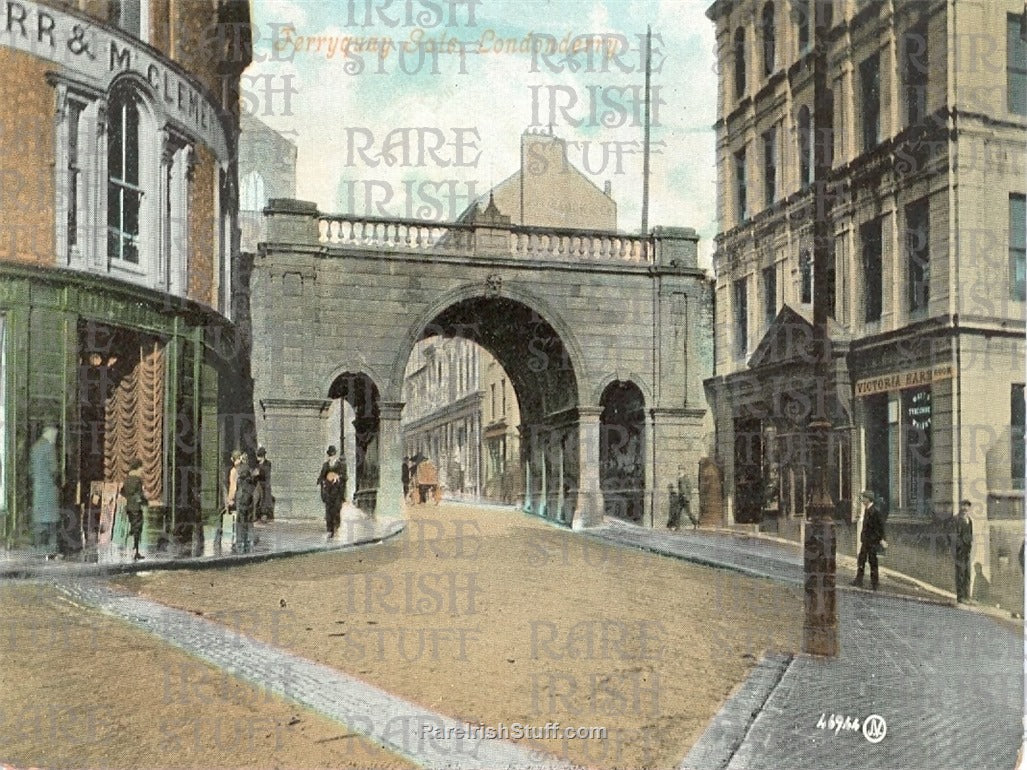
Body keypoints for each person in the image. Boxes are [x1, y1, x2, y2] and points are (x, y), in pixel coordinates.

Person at [30, 426, 60, 558]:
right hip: (49, 489)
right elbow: (54, 470)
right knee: (52, 522)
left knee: (40, 522)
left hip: (38, 490)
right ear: (50, 433)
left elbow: (31, 470)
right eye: (55, 434)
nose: (55, 437)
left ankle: (39, 549)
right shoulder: (49, 447)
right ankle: (51, 549)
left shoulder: (35, 447)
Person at [852, 490, 885, 591]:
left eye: (864, 498)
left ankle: (874, 583)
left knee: (872, 562)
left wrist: (880, 539)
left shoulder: (875, 511)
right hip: (866, 541)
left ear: (868, 499)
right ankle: (858, 580)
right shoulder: (867, 510)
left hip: (872, 542)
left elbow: (880, 527)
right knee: (861, 560)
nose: (862, 500)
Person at [317, 446, 347, 539]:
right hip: (328, 490)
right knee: (328, 510)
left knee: (336, 509)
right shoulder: (326, 465)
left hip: (337, 490)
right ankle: (330, 530)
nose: (331, 457)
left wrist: (338, 477)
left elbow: (345, 477)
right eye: (330, 455)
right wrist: (323, 481)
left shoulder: (340, 465)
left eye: (333, 455)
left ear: (335, 455)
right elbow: (321, 476)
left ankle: (336, 527)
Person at [230, 450, 256, 552]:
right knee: (248, 521)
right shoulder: (249, 471)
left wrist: (230, 499)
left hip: (241, 498)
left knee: (240, 521)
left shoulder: (236, 471)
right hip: (248, 498)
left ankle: (240, 542)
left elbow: (234, 487)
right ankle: (249, 540)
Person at [121, 457, 146, 560]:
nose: (142, 470)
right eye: (141, 468)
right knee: (137, 529)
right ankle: (135, 551)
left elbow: (122, 492)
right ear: (137, 468)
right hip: (136, 507)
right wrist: (145, 501)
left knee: (133, 527)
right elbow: (140, 495)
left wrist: (129, 497)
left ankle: (132, 550)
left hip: (129, 507)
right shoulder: (137, 480)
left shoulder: (127, 479)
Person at [952, 499, 974, 604]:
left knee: (967, 573)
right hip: (959, 551)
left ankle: (967, 596)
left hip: (967, 551)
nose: (965, 508)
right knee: (960, 573)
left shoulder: (969, 520)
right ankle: (960, 597)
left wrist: (969, 546)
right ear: (960, 507)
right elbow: (954, 536)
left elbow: (970, 535)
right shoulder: (956, 519)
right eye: (963, 506)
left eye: (967, 506)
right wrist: (958, 547)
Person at [253, 447, 274, 522]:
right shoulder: (257, 464)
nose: (258, 457)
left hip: (265, 484)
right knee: (256, 498)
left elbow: (266, 473)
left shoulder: (267, 463)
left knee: (265, 499)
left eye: (259, 456)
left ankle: (264, 515)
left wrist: (259, 472)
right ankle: (255, 515)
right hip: (258, 483)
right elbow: (254, 473)